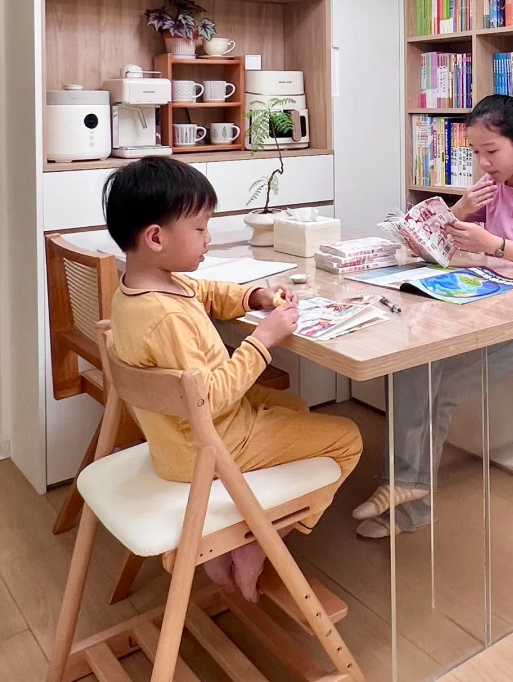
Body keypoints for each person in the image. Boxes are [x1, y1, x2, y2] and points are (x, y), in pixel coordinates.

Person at [103, 157, 362, 601]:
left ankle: (246, 529)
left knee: (295, 407)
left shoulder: (143, 289)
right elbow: (213, 397)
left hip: (176, 440)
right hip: (210, 445)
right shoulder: (165, 319)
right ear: (156, 238)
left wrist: (254, 296)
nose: (209, 238)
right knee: (348, 439)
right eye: (200, 229)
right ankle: (256, 542)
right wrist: (263, 340)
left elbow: (203, 293)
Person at [353, 94, 513, 538]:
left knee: (432, 384)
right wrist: (458, 211)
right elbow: (434, 245)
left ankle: (409, 498)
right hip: (495, 305)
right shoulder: (492, 186)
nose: (483, 163)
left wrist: (492, 244)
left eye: (491, 151)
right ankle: (405, 491)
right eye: (475, 152)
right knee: (413, 367)